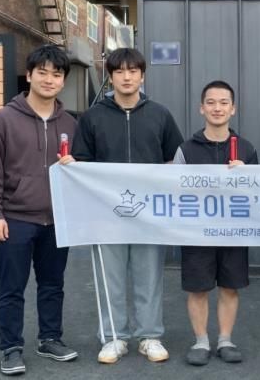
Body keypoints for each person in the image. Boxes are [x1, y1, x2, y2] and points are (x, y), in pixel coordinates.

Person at [69, 48, 183, 364]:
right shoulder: (93, 117)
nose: (127, 77)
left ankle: (150, 336)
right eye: (119, 71)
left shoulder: (160, 114)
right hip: (106, 214)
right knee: (110, 279)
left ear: (142, 76)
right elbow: (82, 163)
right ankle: (113, 337)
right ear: (110, 76)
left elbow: (174, 161)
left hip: (150, 215)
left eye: (133, 71)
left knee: (150, 277)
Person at [0, 45, 78, 375]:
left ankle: (50, 339)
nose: (49, 79)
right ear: (29, 75)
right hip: (14, 219)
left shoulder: (70, 123)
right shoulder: (2, 120)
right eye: (42, 72)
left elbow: (82, 171)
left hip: (56, 220)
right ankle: (11, 348)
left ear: (63, 81)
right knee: (11, 288)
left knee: (53, 285)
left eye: (56, 74)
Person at [173, 80, 258, 366]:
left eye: (224, 103)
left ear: (233, 109)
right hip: (197, 232)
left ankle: (225, 340)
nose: (217, 108)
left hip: (234, 232)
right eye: (211, 102)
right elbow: (174, 190)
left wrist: (247, 175)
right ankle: (200, 341)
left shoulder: (246, 149)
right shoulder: (186, 149)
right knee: (198, 288)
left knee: (230, 287)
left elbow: (258, 193)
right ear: (202, 108)